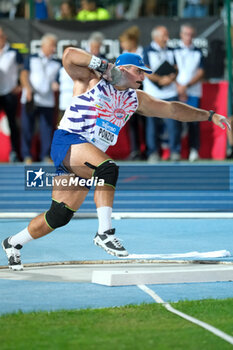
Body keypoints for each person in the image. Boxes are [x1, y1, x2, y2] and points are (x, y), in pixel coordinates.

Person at [1, 49, 229, 270]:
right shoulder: (91, 80)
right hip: (69, 142)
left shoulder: (135, 99)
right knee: (107, 169)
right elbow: (69, 55)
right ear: (123, 69)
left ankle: (12, 242)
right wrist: (103, 66)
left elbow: (173, 110)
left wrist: (210, 115)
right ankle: (105, 233)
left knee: (59, 215)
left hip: (85, 156)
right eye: (139, 71)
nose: (143, 76)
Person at [20, 33, 61, 163]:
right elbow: (24, 74)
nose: (53, 48)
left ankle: (46, 155)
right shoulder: (31, 58)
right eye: (51, 45)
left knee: (47, 129)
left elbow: (59, 79)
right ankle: (27, 155)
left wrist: (57, 84)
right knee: (27, 128)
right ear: (43, 45)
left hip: (47, 101)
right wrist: (28, 89)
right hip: (30, 98)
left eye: (55, 46)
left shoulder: (57, 63)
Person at [143, 26, 181, 162]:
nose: (167, 39)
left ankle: (175, 151)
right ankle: (153, 152)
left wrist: (170, 78)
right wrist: (161, 80)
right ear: (156, 37)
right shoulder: (146, 50)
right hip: (152, 94)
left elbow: (176, 68)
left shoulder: (171, 50)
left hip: (170, 93)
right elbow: (145, 70)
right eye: (164, 36)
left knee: (173, 124)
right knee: (152, 125)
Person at [174, 23, 205, 162]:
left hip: (193, 92)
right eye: (186, 34)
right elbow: (172, 70)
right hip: (176, 91)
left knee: (194, 121)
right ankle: (175, 150)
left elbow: (201, 72)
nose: (189, 37)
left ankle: (194, 150)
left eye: (191, 34)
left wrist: (186, 86)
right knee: (176, 121)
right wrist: (179, 86)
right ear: (181, 35)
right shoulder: (173, 51)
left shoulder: (199, 52)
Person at [119, 26, 145, 160]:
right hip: (128, 93)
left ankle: (147, 149)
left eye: (124, 41)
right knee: (132, 122)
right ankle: (135, 150)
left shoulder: (141, 52)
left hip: (142, 90)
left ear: (131, 41)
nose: (122, 45)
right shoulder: (123, 55)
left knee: (145, 121)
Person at [0, 27, 23, 162]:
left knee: (12, 123)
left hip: (9, 92)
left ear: (5, 37)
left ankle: (14, 152)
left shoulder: (14, 52)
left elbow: (23, 69)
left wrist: (20, 84)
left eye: (1, 36)